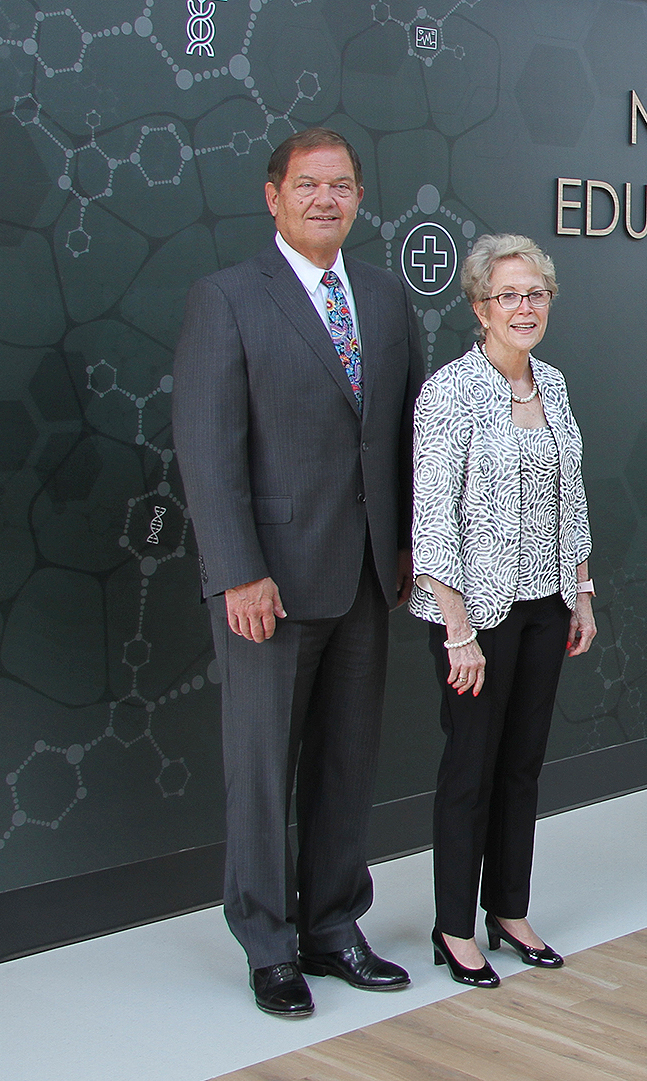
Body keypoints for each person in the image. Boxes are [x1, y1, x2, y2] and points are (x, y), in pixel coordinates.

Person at [173, 127, 423, 1016]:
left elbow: (403, 441)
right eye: (308, 184)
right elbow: (207, 449)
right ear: (273, 196)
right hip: (268, 582)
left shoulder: (390, 302)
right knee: (262, 763)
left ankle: (332, 926)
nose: (327, 198)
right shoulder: (228, 299)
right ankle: (268, 944)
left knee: (347, 762)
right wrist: (237, 570)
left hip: (364, 576)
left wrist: (406, 550)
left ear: (359, 198)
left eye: (343, 184)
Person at [411, 234, 596, 986]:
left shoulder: (551, 382)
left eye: (536, 293)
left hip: (545, 606)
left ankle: (509, 910)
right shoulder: (450, 390)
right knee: (470, 769)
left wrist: (581, 591)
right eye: (508, 295)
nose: (524, 307)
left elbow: (571, 498)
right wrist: (457, 630)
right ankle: (454, 926)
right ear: (480, 307)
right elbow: (431, 519)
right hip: (476, 617)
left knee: (522, 765)